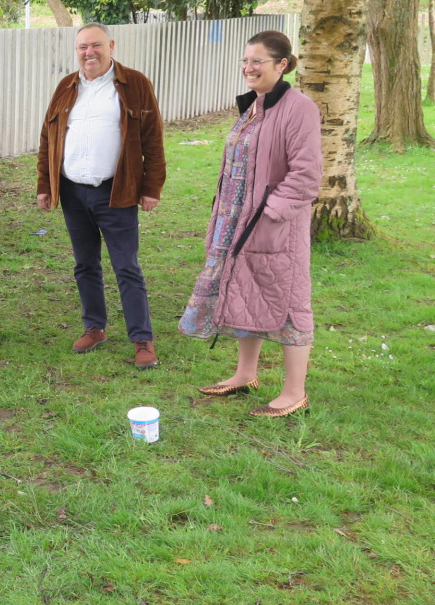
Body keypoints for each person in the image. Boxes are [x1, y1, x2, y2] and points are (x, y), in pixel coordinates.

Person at [179, 30, 322, 417]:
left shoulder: (299, 108)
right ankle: (245, 374)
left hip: (274, 228)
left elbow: (306, 176)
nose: (248, 68)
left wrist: (268, 215)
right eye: (245, 60)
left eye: (257, 61)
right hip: (235, 222)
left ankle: (295, 392)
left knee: (291, 304)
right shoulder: (255, 105)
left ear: (282, 64)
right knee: (244, 291)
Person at [36, 22, 166, 368]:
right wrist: (45, 185)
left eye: (95, 45)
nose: (89, 53)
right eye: (82, 47)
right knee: (85, 264)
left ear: (110, 45)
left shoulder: (134, 84)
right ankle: (95, 327)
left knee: (127, 267)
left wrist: (151, 187)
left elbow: (153, 139)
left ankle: (142, 340)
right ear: (76, 51)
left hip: (117, 192)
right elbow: (48, 138)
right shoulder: (67, 86)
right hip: (74, 193)